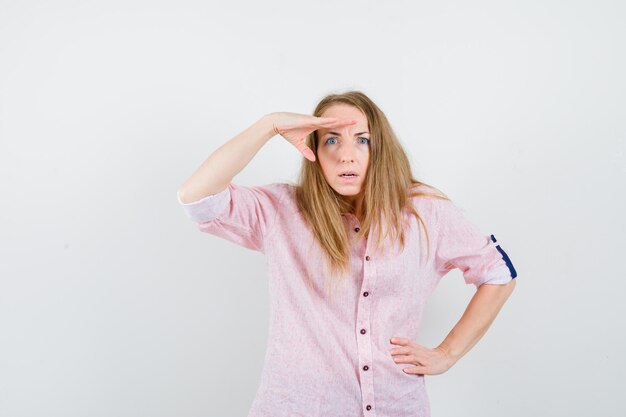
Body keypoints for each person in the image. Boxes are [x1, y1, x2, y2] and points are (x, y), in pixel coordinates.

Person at [177, 90, 517, 417]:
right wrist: (270, 125)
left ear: (379, 149)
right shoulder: (283, 211)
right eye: (331, 140)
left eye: (362, 140)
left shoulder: (424, 212)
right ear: (313, 151)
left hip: (396, 406)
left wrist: (447, 354)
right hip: (297, 408)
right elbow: (197, 198)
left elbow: (498, 274)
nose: (346, 155)